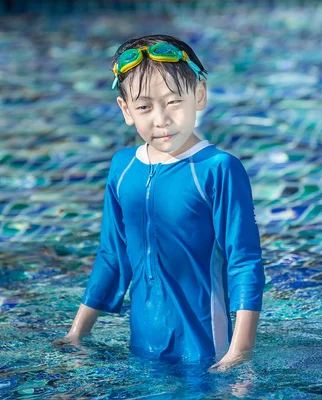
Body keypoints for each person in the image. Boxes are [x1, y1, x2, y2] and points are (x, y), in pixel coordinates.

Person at [54, 34, 266, 373]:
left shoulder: (218, 169)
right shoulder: (123, 168)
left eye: (173, 102)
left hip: (206, 352)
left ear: (199, 95)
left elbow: (244, 262)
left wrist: (238, 355)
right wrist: (78, 333)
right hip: (141, 348)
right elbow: (113, 254)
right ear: (125, 110)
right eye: (144, 106)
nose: (161, 119)